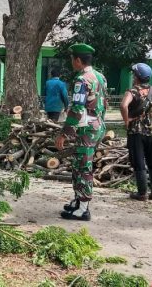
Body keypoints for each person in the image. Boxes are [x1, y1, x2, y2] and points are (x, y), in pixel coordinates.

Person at [55, 43, 107, 221]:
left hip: (86, 129)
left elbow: (77, 108)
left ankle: (83, 208)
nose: (71, 62)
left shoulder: (82, 80)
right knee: (79, 165)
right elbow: (104, 104)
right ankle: (78, 201)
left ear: (78, 60)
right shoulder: (100, 77)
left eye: (72, 59)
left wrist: (64, 133)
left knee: (83, 167)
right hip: (97, 126)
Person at [120, 63, 152, 201]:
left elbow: (124, 105)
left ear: (137, 76)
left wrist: (127, 121)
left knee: (139, 161)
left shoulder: (132, 91)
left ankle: (142, 193)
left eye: (134, 74)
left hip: (136, 131)